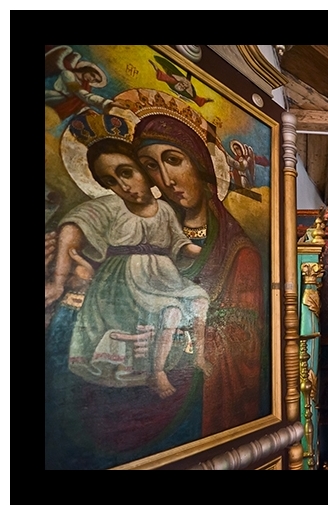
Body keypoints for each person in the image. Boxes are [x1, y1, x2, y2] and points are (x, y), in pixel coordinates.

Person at [45, 121, 212, 399]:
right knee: (170, 311)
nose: (123, 185)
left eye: (126, 173)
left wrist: (205, 250)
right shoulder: (111, 206)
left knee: (200, 299)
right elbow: (74, 227)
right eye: (110, 181)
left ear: (145, 172)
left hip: (163, 276)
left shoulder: (166, 211)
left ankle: (199, 358)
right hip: (124, 280)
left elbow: (180, 243)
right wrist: (58, 281)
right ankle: (157, 372)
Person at [133, 109, 265, 437]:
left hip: (205, 395)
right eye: (151, 166)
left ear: (200, 166)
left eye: (174, 160)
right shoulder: (144, 235)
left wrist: (184, 340)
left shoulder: (240, 253)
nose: (166, 178)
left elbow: (246, 339)